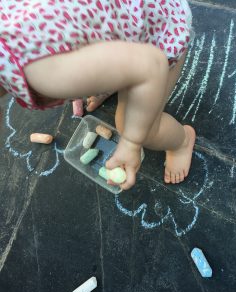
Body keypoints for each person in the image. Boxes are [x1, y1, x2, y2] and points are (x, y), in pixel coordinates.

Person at [0, 0, 196, 190]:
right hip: (120, 20)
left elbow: (151, 65)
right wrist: (82, 74)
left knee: (131, 125)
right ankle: (109, 73)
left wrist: (131, 142)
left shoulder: (46, 75)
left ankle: (181, 141)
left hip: (159, 30)